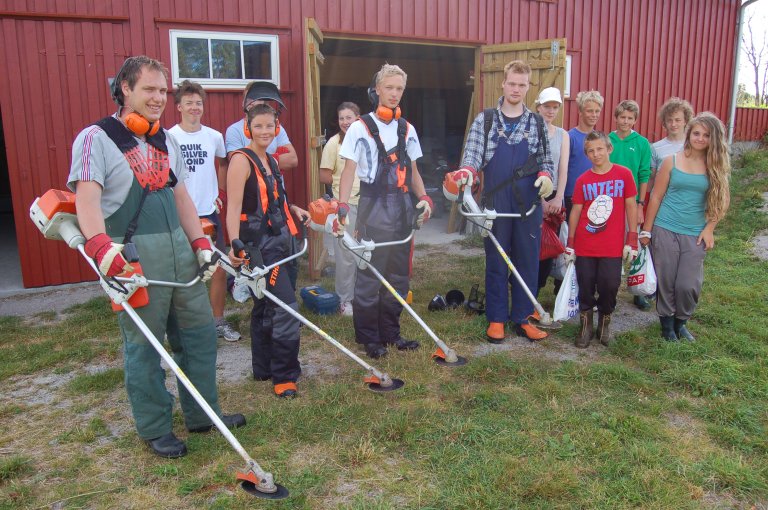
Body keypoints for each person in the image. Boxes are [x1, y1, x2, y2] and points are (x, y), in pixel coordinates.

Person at [67, 56, 244, 458]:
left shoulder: (165, 139)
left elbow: (180, 197)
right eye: (149, 89)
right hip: (134, 255)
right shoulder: (96, 138)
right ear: (125, 89)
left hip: (180, 251)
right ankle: (154, 427)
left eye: (163, 91)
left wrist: (200, 244)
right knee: (145, 345)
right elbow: (87, 200)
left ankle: (203, 414)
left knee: (199, 335)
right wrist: (101, 249)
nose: (158, 98)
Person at [450, 60, 554, 343]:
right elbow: (472, 157)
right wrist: (467, 172)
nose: (516, 89)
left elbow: (546, 159)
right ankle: (496, 318)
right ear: (503, 84)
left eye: (522, 85)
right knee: (497, 259)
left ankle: (522, 317)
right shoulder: (485, 121)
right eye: (512, 83)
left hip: (528, 205)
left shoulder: (537, 123)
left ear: (528, 87)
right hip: (496, 203)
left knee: (527, 260)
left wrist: (546, 177)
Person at [335, 64, 432, 359]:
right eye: (389, 87)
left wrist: (424, 197)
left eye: (399, 89)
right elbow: (348, 170)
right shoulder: (359, 127)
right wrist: (342, 205)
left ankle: (391, 333)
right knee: (370, 275)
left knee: (398, 276)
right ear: (377, 89)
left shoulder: (407, 129)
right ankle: (369, 339)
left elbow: (413, 170)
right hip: (372, 207)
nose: (394, 93)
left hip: (402, 208)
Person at [226, 103, 310, 397]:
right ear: (248, 128)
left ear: (277, 128)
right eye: (258, 125)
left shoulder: (271, 161)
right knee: (285, 307)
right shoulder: (241, 161)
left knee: (265, 305)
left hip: (282, 242)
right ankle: (285, 375)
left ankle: (264, 368)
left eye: (270, 126)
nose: (265, 131)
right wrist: (234, 244)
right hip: (258, 248)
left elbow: (275, 199)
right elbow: (234, 207)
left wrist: (294, 208)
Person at [640, 112, 730, 342]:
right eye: (696, 133)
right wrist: (647, 230)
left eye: (706, 135)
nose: (700, 138)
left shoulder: (715, 165)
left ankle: (681, 322)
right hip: (665, 227)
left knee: (688, 285)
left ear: (713, 139)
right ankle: (667, 325)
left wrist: (710, 228)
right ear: (689, 134)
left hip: (695, 233)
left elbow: (722, 200)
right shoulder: (671, 161)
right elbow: (656, 197)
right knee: (667, 280)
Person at [168, 80, 240, 342]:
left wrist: (219, 193)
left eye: (198, 103)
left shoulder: (214, 137)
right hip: (181, 214)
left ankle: (217, 321)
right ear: (179, 107)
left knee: (219, 268)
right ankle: (186, 326)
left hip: (209, 213)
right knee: (185, 271)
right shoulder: (169, 137)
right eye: (189, 103)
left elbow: (222, 164)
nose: (194, 107)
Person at [564, 131, 638, 348]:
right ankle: (586, 325)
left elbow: (631, 206)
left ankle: (604, 323)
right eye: (590, 151)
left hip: (612, 246)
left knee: (610, 284)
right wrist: (570, 243)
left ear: (609, 149)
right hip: (585, 245)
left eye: (599, 149)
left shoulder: (623, 175)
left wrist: (632, 239)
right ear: (586, 154)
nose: (596, 154)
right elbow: (576, 211)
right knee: (585, 284)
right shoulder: (582, 180)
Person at [608, 99, 653, 311]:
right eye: (622, 117)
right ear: (615, 118)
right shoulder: (608, 140)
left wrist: (641, 204)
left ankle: (638, 289)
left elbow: (644, 174)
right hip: (610, 201)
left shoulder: (642, 143)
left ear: (635, 120)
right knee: (612, 244)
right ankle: (610, 286)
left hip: (632, 202)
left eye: (630, 118)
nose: (625, 121)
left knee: (634, 244)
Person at [319, 102, 361, 316]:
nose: (345, 122)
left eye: (349, 117)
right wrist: (341, 185)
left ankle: (364, 294)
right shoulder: (334, 143)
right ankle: (345, 300)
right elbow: (324, 175)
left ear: (358, 118)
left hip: (369, 204)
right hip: (346, 204)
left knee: (366, 250)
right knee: (346, 255)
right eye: (342, 118)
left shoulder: (366, 139)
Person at [533, 87, 570, 296]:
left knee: (549, 245)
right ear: (539, 107)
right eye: (547, 106)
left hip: (555, 194)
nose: (551, 111)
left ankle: (537, 290)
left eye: (555, 107)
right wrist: (541, 202)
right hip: (533, 193)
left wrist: (558, 198)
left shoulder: (563, 135)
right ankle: (525, 289)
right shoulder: (530, 132)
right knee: (531, 244)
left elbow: (562, 168)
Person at [225, 81, 298, 170]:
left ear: (265, 104)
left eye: (256, 98)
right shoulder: (234, 130)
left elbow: (292, 160)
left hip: (275, 179)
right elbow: (238, 164)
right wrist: (276, 160)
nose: (251, 102)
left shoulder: (276, 127)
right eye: (248, 98)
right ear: (243, 103)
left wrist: (256, 160)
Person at [564, 90, 604, 219]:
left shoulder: (600, 139)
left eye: (597, 111)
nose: (594, 115)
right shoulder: (569, 137)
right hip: (573, 195)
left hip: (595, 194)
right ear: (580, 112)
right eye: (589, 111)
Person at [649, 97, 694, 200]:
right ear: (664, 122)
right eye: (669, 120)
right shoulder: (655, 148)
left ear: (685, 121)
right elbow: (652, 179)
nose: (673, 124)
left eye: (678, 120)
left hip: (686, 200)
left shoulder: (693, 146)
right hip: (661, 200)